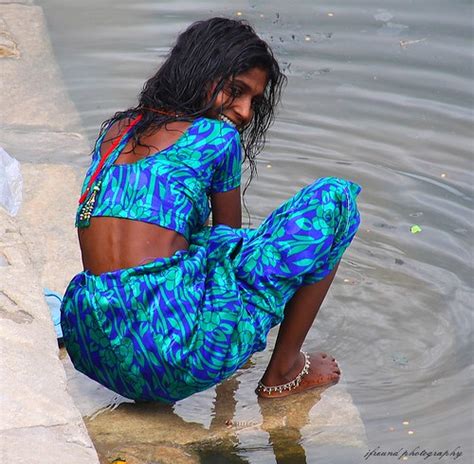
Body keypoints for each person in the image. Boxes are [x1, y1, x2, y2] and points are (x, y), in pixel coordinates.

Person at [61, 17, 361, 403]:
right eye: (237, 91)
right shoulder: (216, 138)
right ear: (201, 72)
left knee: (194, 241)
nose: (245, 112)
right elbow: (227, 255)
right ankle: (284, 370)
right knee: (335, 200)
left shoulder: (116, 132)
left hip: (97, 349)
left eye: (253, 100)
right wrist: (226, 396)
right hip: (173, 360)